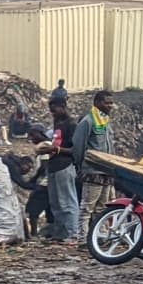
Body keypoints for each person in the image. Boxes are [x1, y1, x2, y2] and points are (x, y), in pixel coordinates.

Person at [40, 91, 81, 241]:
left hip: (64, 166)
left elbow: (75, 150)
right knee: (55, 203)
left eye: (54, 110)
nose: (52, 114)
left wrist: (55, 149)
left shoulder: (72, 124)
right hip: (53, 166)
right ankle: (59, 234)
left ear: (63, 107)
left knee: (67, 202)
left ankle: (71, 233)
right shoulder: (58, 124)